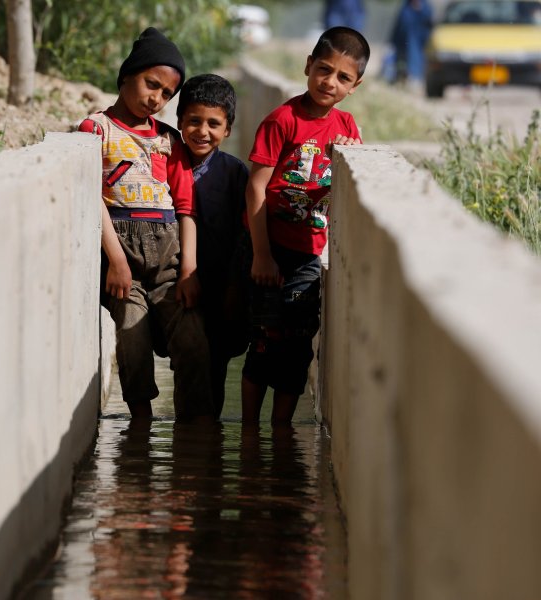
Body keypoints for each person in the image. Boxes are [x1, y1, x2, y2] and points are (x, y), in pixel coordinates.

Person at [78, 28, 213, 421]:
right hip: (122, 258)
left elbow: (185, 207)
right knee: (132, 342)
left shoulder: (169, 141)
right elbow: (91, 196)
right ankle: (140, 432)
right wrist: (116, 261)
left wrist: (188, 268)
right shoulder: (96, 130)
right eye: (151, 84)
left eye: (167, 93)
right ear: (126, 76)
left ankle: (194, 436)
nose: (156, 98)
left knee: (193, 341)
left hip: (169, 259)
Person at [242, 26, 369, 425]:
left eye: (342, 77)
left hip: (309, 256)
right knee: (265, 337)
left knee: (297, 343)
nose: (329, 82)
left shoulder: (347, 127)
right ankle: (248, 431)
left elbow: (353, 175)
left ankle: (280, 430)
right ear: (308, 66)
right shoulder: (283, 120)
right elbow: (256, 188)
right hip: (272, 247)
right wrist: (261, 254)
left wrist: (353, 150)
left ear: (355, 85)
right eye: (323, 69)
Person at [175, 74, 250, 419]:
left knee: (216, 362)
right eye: (194, 121)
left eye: (213, 124)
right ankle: (189, 440)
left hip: (221, 285)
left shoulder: (235, 174)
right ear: (179, 122)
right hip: (176, 281)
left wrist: (236, 286)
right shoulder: (166, 165)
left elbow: (244, 233)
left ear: (228, 130)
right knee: (188, 356)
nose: (202, 132)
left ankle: (204, 446)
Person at [389, 0, 433, 89]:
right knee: (400, 63)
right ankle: (399, 79)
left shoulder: (424, 7)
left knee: (415, 62)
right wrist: (392, 40)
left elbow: (428, 25)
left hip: (417, 44)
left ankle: (414, 80)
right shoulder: (405, 6)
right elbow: (399, 24)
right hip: (402, 43)